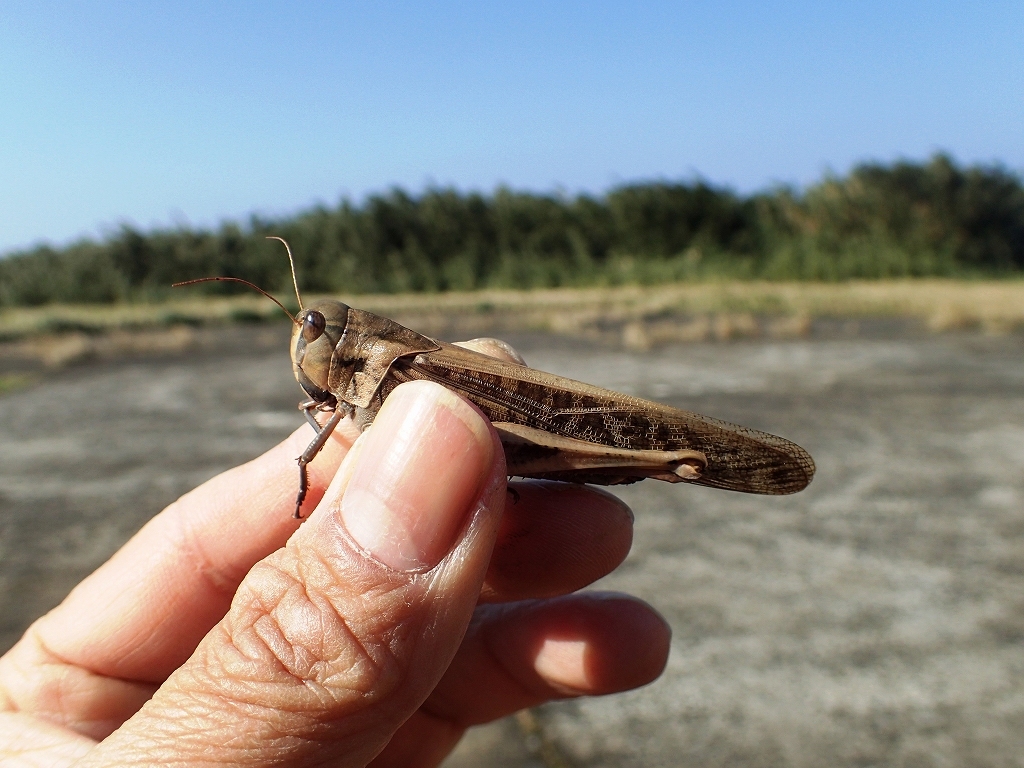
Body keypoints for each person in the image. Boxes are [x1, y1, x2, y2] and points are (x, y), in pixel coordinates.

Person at [0, 338, 671, 767]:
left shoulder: (395, 364)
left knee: (666, 453)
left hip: (544, 430)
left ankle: (680, 455)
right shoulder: (345, 387)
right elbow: (320, 418)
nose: (306, 348)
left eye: (317, 334)